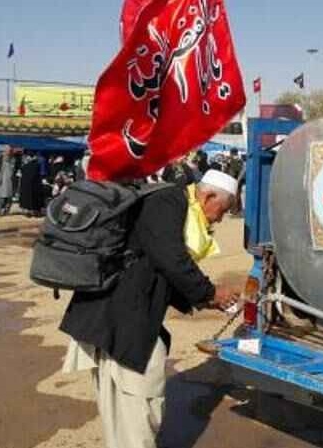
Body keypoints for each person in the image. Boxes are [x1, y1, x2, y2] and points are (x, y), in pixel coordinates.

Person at [59, 169, 241, 448]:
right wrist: (210, 293)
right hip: (118, 316)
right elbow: (171, 258)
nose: (219, 218)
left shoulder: (176, 203)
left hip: (122, 315)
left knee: (123, 401)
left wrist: (206, 299)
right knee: (139, 397)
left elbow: (164, 266)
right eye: (223, 209)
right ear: (208, 196)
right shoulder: (168, 201)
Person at [0, 148, 15, 217]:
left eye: (10, 151)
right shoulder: (0, 159)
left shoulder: (13, 160)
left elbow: (13, 171)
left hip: (9, 181)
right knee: (0, 198)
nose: (9, 152)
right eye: (8, 151)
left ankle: (6, 210)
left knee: (9, 197)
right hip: (1, 181)